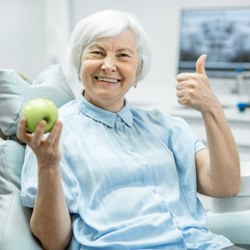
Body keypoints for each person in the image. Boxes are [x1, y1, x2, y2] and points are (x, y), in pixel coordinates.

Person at [17, 10, 242, 250]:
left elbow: (224, 185)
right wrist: (48, 166)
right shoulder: (53, 135)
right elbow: (53, 242)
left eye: (123, 56)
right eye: (97, 52)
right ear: (78, 61)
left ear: (138, 70)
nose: (108, 65)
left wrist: (212, 108)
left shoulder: (166, 126)